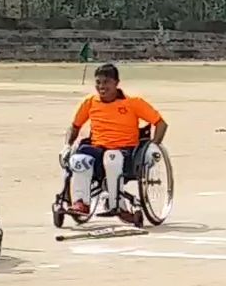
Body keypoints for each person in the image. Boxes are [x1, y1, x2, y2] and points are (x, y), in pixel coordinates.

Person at [63, 63, 167, 221]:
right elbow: (75, 126)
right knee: (78, 160)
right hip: (97, 148)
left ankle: (116, 204)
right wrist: (67, 146)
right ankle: (81, 203)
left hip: (125, 151)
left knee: (111, 157)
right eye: (98, 82)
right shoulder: (90, 102)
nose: (101, 86)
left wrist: (153, 146)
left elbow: (161, 124)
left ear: (116, 83)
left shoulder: (133, 103)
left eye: (106, 82)